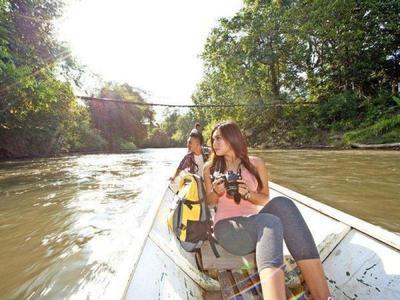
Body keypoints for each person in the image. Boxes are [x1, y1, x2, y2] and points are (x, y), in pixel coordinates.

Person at [203, 121, 331, 300]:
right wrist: (216, 192)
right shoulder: (209, 168)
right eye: (213, 139)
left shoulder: (256, 164)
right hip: (228, 229)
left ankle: (324, 297)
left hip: (255, 225)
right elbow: (209, 203)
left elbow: (265, 199)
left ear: (232, 138)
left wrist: (247, 194)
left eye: (219, 138)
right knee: (269, 221)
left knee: (283, 204)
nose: (214, 143)